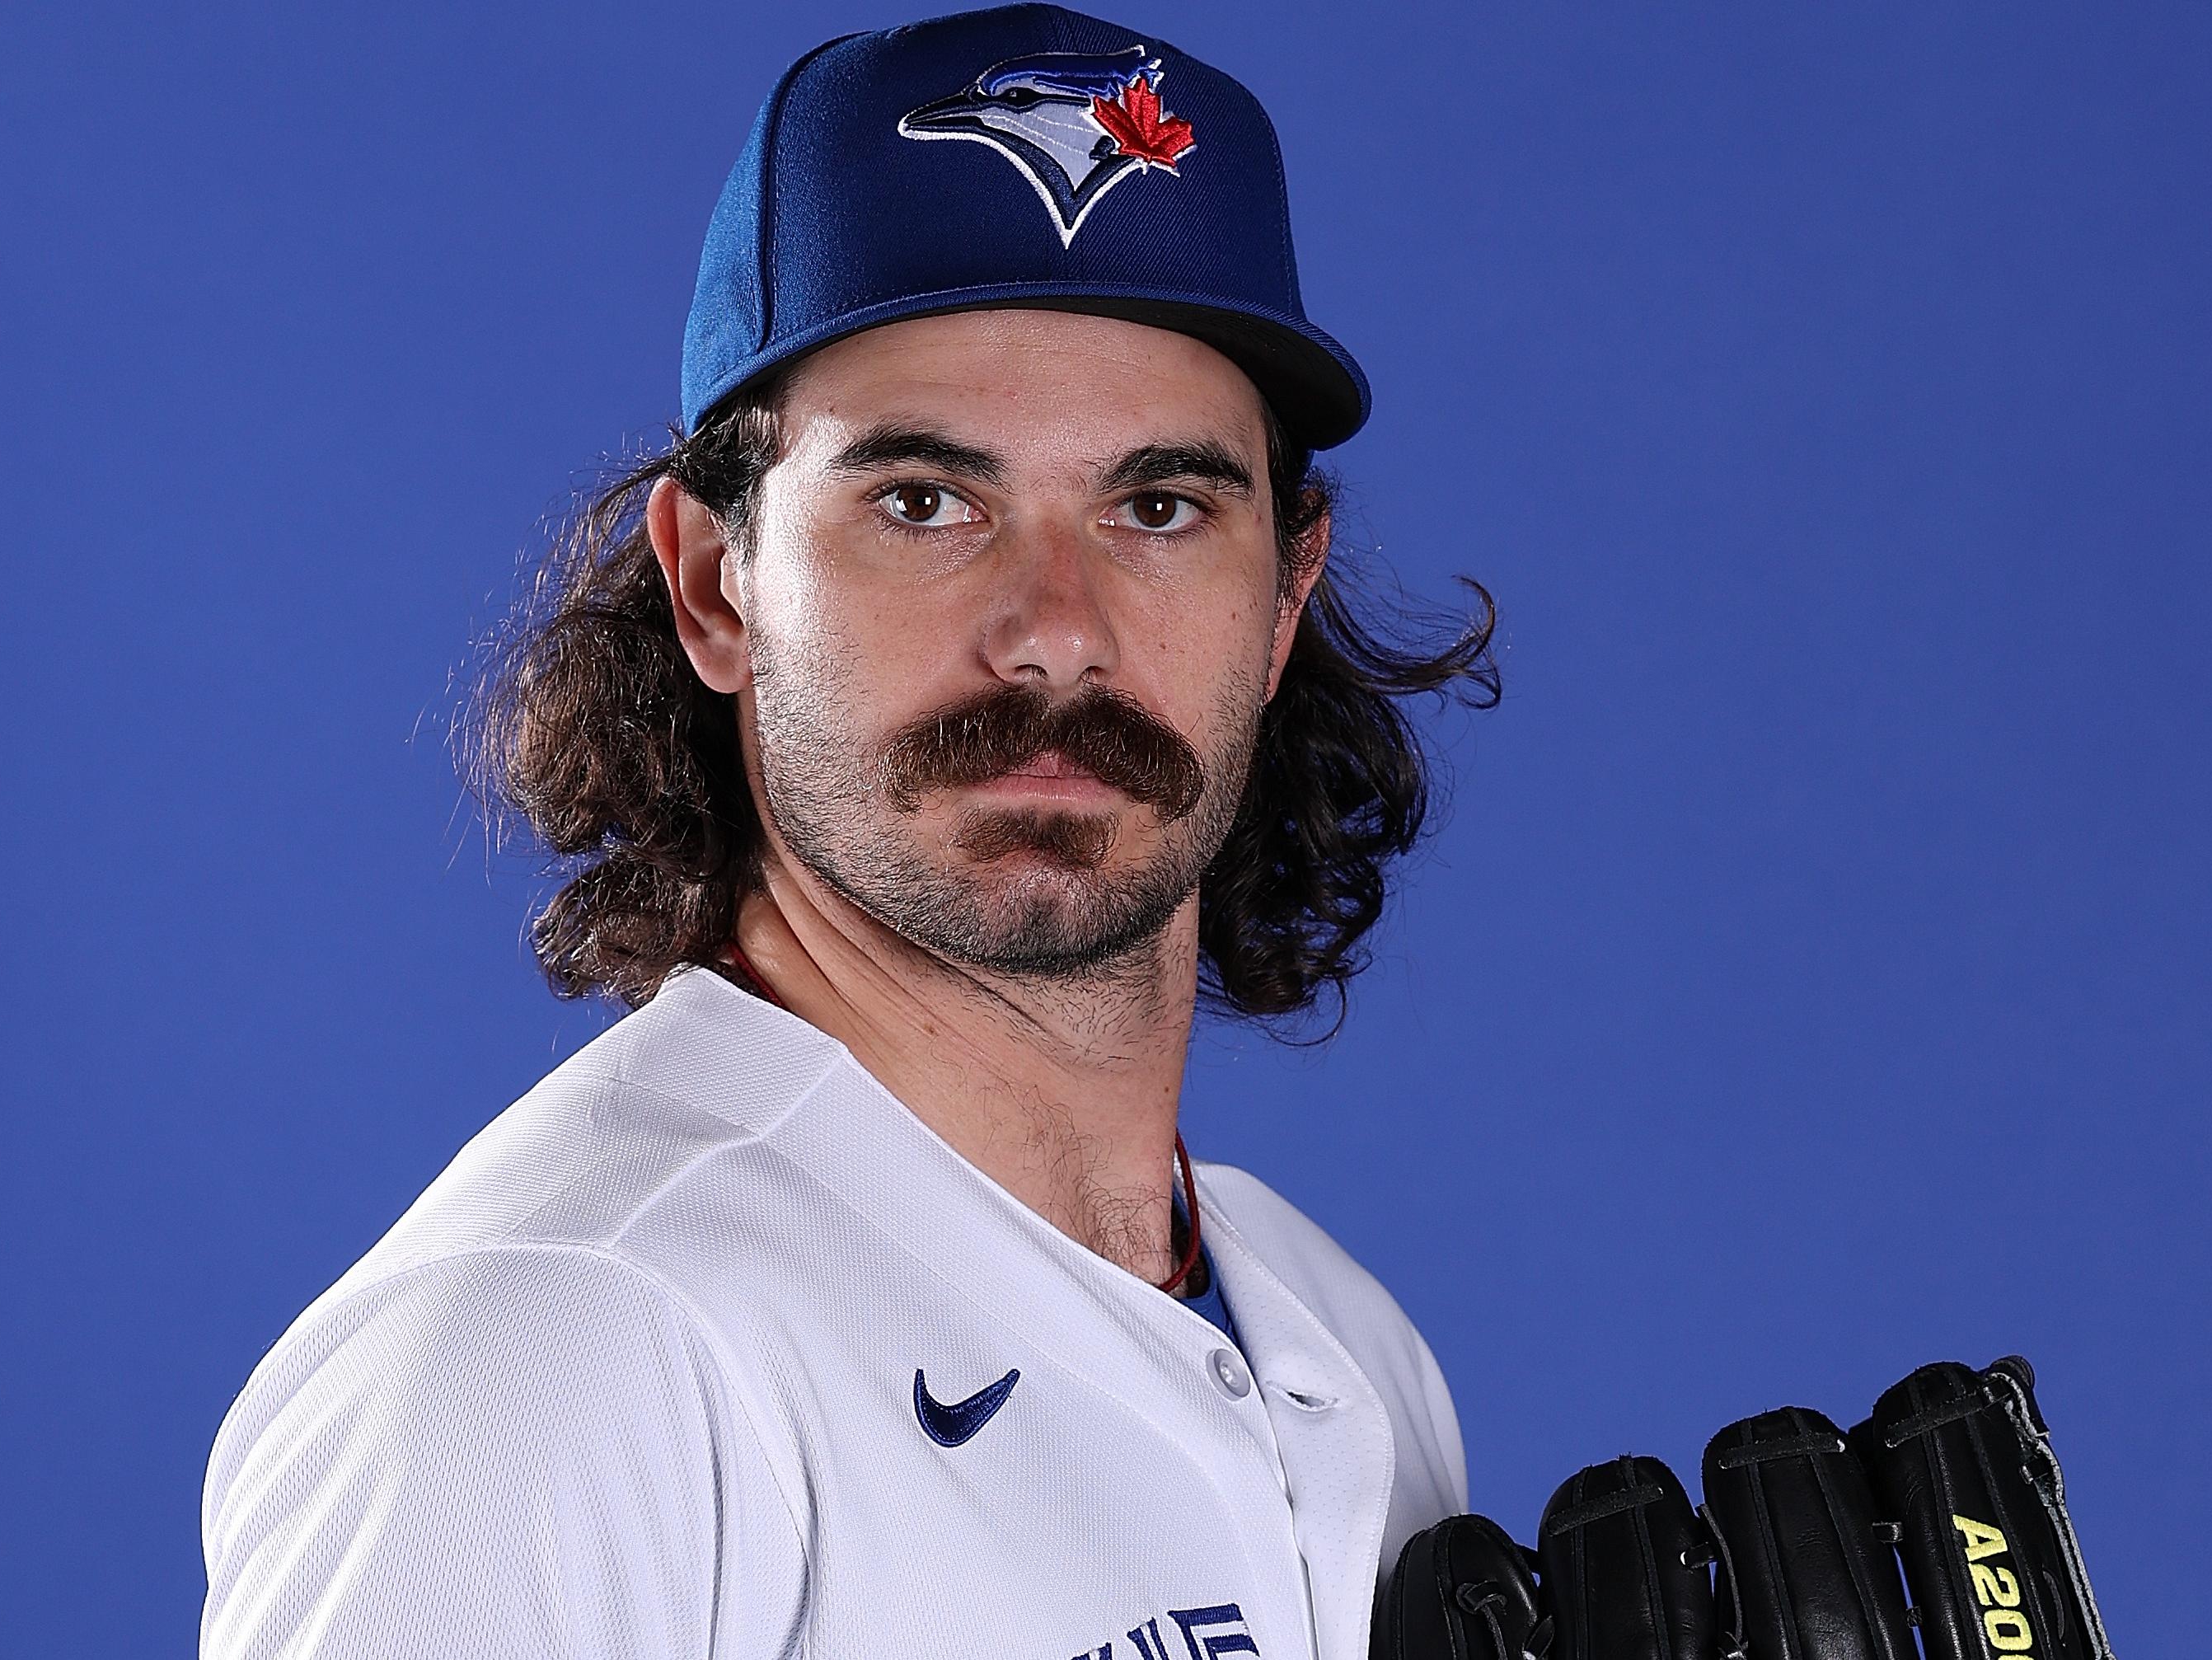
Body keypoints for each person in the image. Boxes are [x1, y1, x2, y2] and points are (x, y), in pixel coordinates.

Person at [199, 7, 1498, 1656]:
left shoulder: (1345, 1345)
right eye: (924, 502)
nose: (1055, 631)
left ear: (1284, 595)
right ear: (712, 583)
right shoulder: (558, 1346)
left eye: (1159, 507)